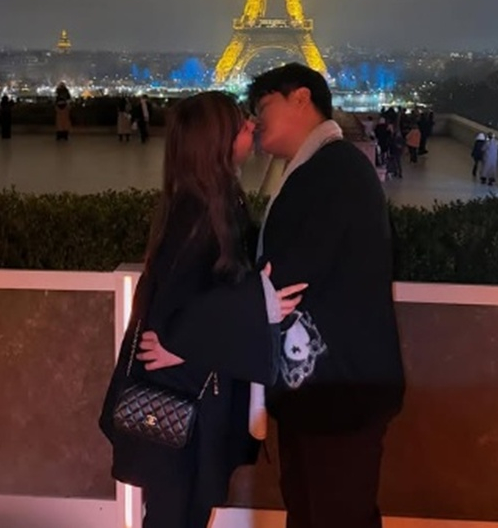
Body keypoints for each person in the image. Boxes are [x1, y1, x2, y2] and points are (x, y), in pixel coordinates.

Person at [141, 64, 406, 528]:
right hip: (326, 392)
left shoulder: (333, 171)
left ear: (300, 98)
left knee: (332, 514)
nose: (256, 119)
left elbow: (282, 279)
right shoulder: (323, 168)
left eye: (263, 106)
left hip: (338, 396)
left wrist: (191, 339)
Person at [99, 91, 307, 528]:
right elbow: (179, 309)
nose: (251, 126)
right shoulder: (198, 212)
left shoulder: (207, 203)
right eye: (240, 123)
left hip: (185, 396)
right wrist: (261, 304)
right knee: (178, 512)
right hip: (181, 401)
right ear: (217, 140)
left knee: (183, 511)